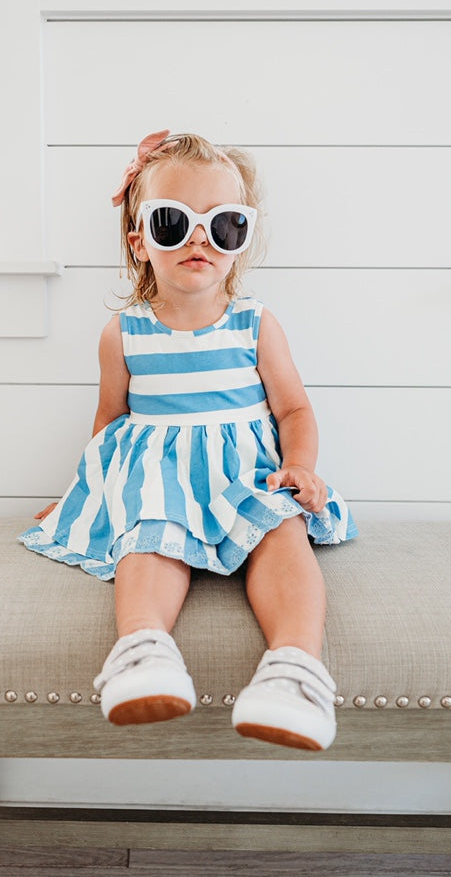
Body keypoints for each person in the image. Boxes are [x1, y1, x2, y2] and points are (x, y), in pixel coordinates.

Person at [20, 130, 357, 751]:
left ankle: (295, 672)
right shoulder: (123, 334)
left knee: (282, 531)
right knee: (147, 538)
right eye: (174, 221)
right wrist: (83, 493)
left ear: (241, 244)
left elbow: (295, 408)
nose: (200, 238)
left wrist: (301, 466)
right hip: (159, 483)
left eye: (224, 225)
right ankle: (143, 652)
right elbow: (108, 423)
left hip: (248, 479)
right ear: (140, 241)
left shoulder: (256, 324)